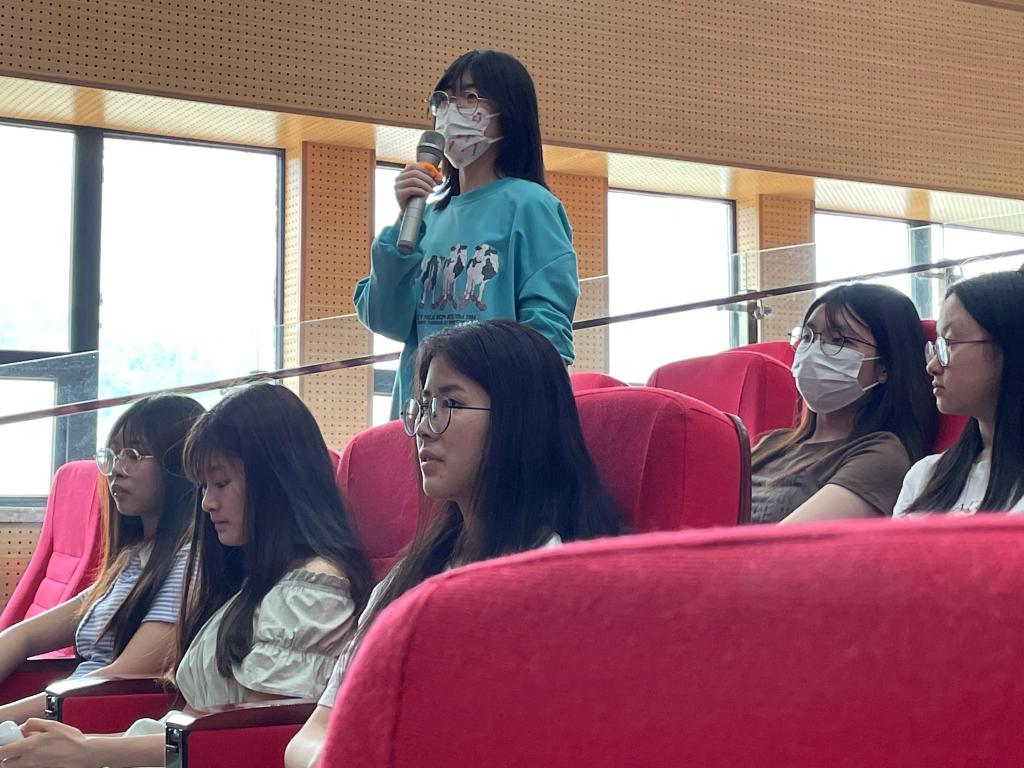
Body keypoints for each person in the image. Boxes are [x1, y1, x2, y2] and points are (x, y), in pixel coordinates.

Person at [284, 320, 621, 768]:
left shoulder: (554, 580)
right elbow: (312, 733)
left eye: (450, 404)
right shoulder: (408, 576)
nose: (424, 428)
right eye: (423, 406)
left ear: (520, 420)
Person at [0, 384, 372, 767]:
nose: (207, 503)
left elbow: (241, 736)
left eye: (221, 483)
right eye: (204, 487)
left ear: (276, 481)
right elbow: (193, 726)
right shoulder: (252, 581)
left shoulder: (311, 589)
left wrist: (86, 750)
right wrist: (81, 746)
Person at [355, 49, 580, 418]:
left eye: (470, 96)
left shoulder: (530, 205)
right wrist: (404, 219)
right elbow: (385, 319)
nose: (451, 110)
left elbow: (546, 337)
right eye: (444, 99)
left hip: (493, 418)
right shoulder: (425, 217)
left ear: (508, 112)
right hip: (420, 419)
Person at [0, 395, 203, 724]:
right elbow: (23, 636)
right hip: (63, 715)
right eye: (114, 455)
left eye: (134, 455)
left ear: (178, 465)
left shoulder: (189, 564)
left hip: (91, 726)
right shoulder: (133, 560)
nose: (117, 470)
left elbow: (118, 680)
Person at [750, 284, 937, 524]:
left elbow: (783, 541)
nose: (814, 351)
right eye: (807, 337)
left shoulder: (882, 454)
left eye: (838, 341)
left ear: (884, 367)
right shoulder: (772, 443)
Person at [894, 270, 1024, 515]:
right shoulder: (924, 475)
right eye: (936, 346)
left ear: (1011, 347)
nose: (932, 366)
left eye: (949, 344)